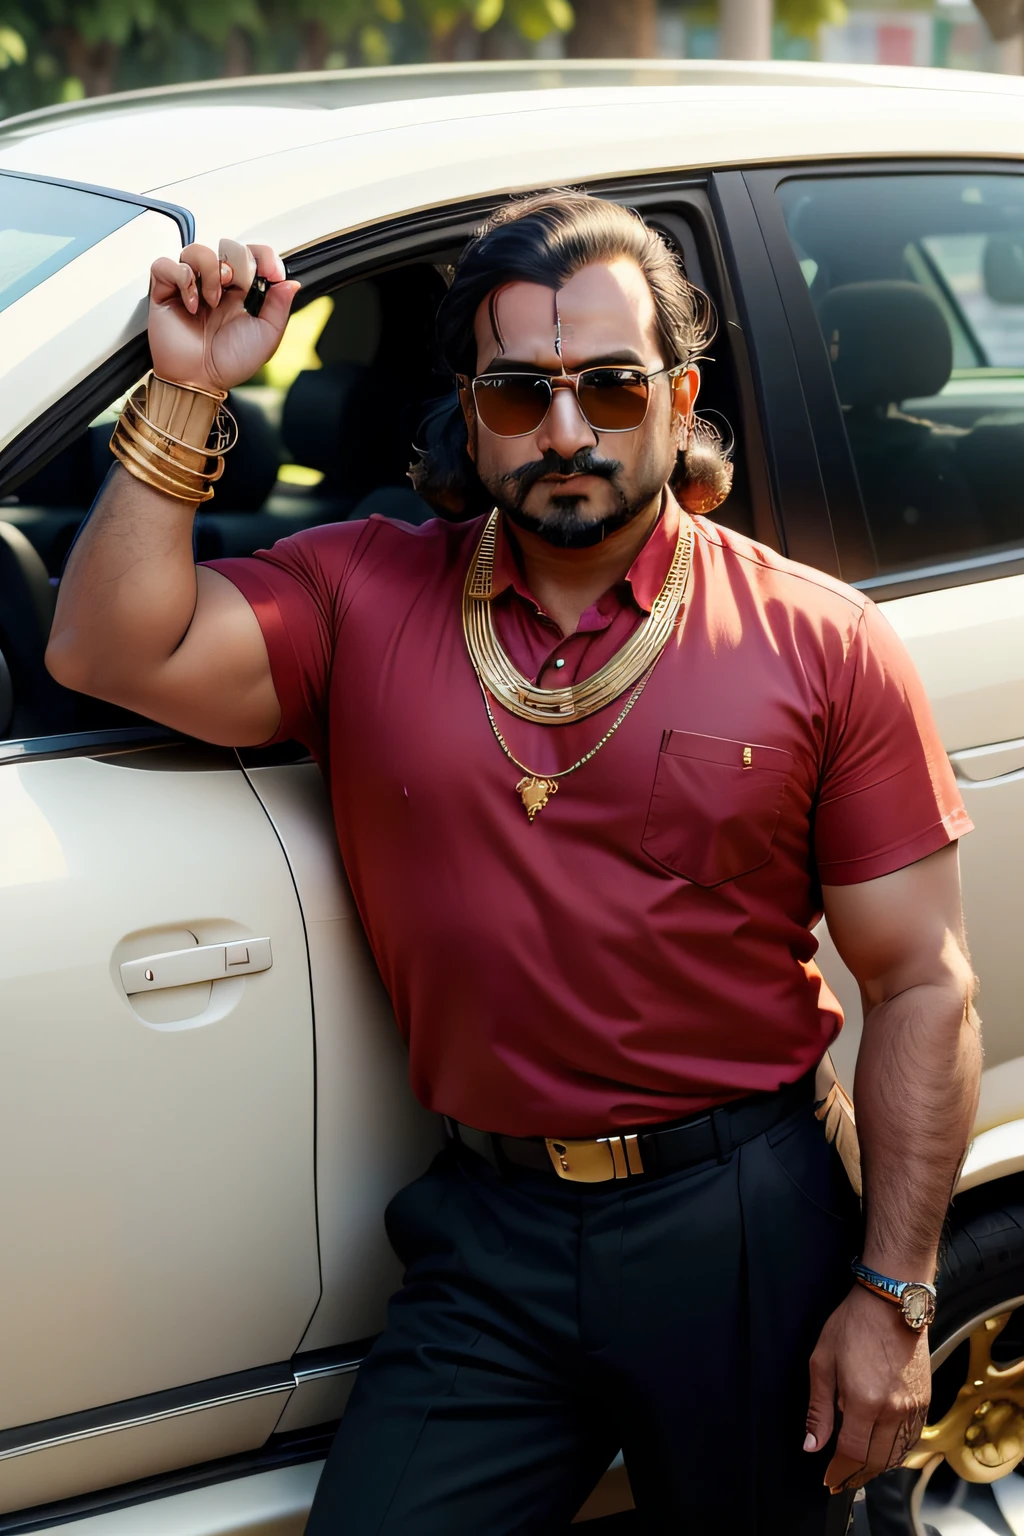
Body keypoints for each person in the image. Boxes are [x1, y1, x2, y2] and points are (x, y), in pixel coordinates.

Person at [46, 191, 981, 1536]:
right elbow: (106, 652)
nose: (564, 430)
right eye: (518, 392)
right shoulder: (359, 596)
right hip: (489, 1234)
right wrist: (190, 392)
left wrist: (893, 1299)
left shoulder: (819, 642)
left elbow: (923, 989)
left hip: (743, 1226)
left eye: (609, 386)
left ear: (678, 394)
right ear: (468, 410)